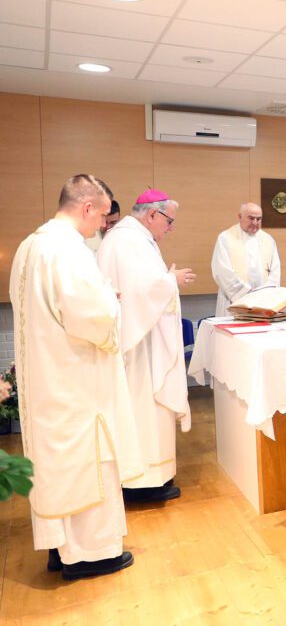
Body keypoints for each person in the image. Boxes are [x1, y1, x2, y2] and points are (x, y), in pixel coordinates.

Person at [10, 174, 141, 580]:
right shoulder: (69, 250)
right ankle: (91, 553)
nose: (103, 223)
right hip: (76, 381)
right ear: (86, 208)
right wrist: (112, 302)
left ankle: (60, 548)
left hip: (48, 379)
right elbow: (93, 317)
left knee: (56, 465)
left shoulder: (30, 245)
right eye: (102, 215)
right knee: (89, 461)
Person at [98, 188, 193, 503]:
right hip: (138, 347)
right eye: (169, 222)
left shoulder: (131, 238)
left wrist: (165, 281)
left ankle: (153, 477)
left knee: (147, 414)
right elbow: (140, 291)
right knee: (143, 411)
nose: (170, 229)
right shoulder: (129, 240)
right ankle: (143, 483)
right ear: (152, 214)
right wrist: (171, 280)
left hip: (141, 337)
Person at [211, 203, 281, 317]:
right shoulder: (225, 238)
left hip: (262, 304)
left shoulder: (268, 240)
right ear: (239, 217)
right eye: (251, 218)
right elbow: (222, 272)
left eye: (258, 219)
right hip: (234, 301)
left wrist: (265, 295)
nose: (255, 222)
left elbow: (275, 272)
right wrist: (247, 295)